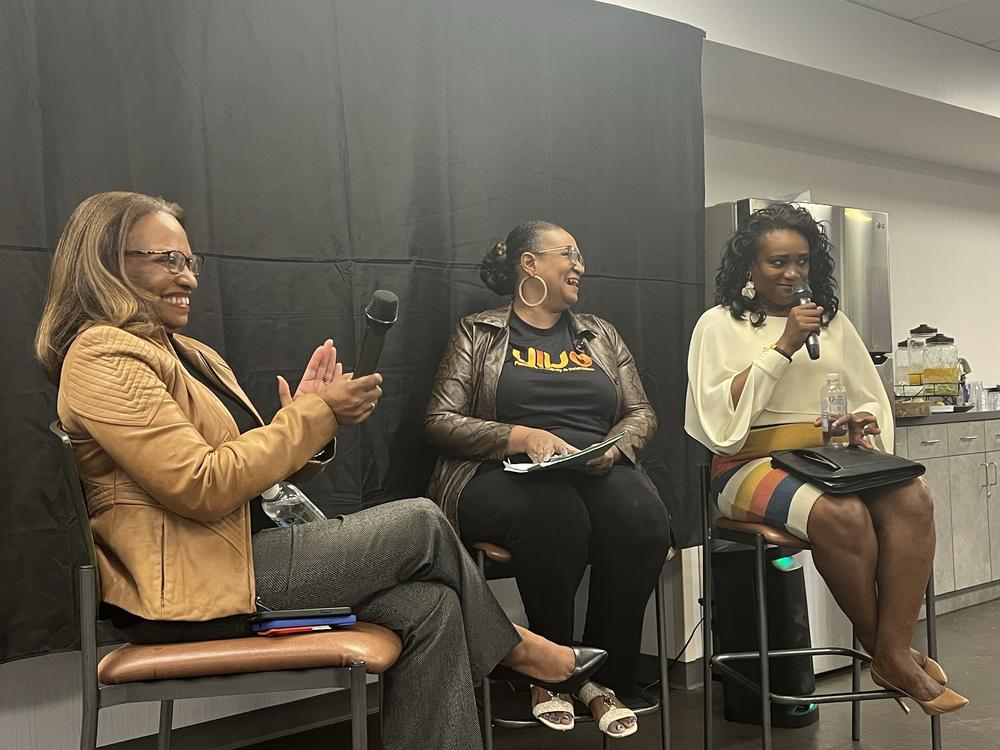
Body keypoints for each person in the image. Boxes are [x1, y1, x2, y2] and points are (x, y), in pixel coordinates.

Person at [34, 192, 608, 750]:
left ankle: (516, 655)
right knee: (422, 522)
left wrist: (305, 424)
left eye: (189, 261)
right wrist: (316, 415)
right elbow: (202, 486)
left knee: (434, 607)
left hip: (244, 561)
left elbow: (248, 479)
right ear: (106, 265)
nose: (188, 277)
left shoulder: (188, 352)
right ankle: (525, 653)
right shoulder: (102, 355)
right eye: (167, 260)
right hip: (191, 595)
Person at [685, 202, 968, 716]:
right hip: (747, 463)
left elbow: (866, 396)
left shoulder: (834, 324)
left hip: (828, 456)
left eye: (801, 261)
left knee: (913, 497)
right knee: (842, 514)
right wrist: (783, 345)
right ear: (749, 267)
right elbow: (717, 421)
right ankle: (891, 654)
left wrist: (857, 424)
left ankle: (889, 650)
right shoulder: (718, 324)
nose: (792, 274)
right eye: (777, 263)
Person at [425, 220, 672, 738]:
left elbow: (640, 412)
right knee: (555, 516)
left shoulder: (600, 334)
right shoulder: (479, 332)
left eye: (580, 255)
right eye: (568, 254)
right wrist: (520, 436)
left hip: (590, 465)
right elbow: (441, 421)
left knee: (644, 521)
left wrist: (613, 448)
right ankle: (551, 670)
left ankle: (601, 674)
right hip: (496, 471)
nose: (579, 265)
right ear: (529, 264)